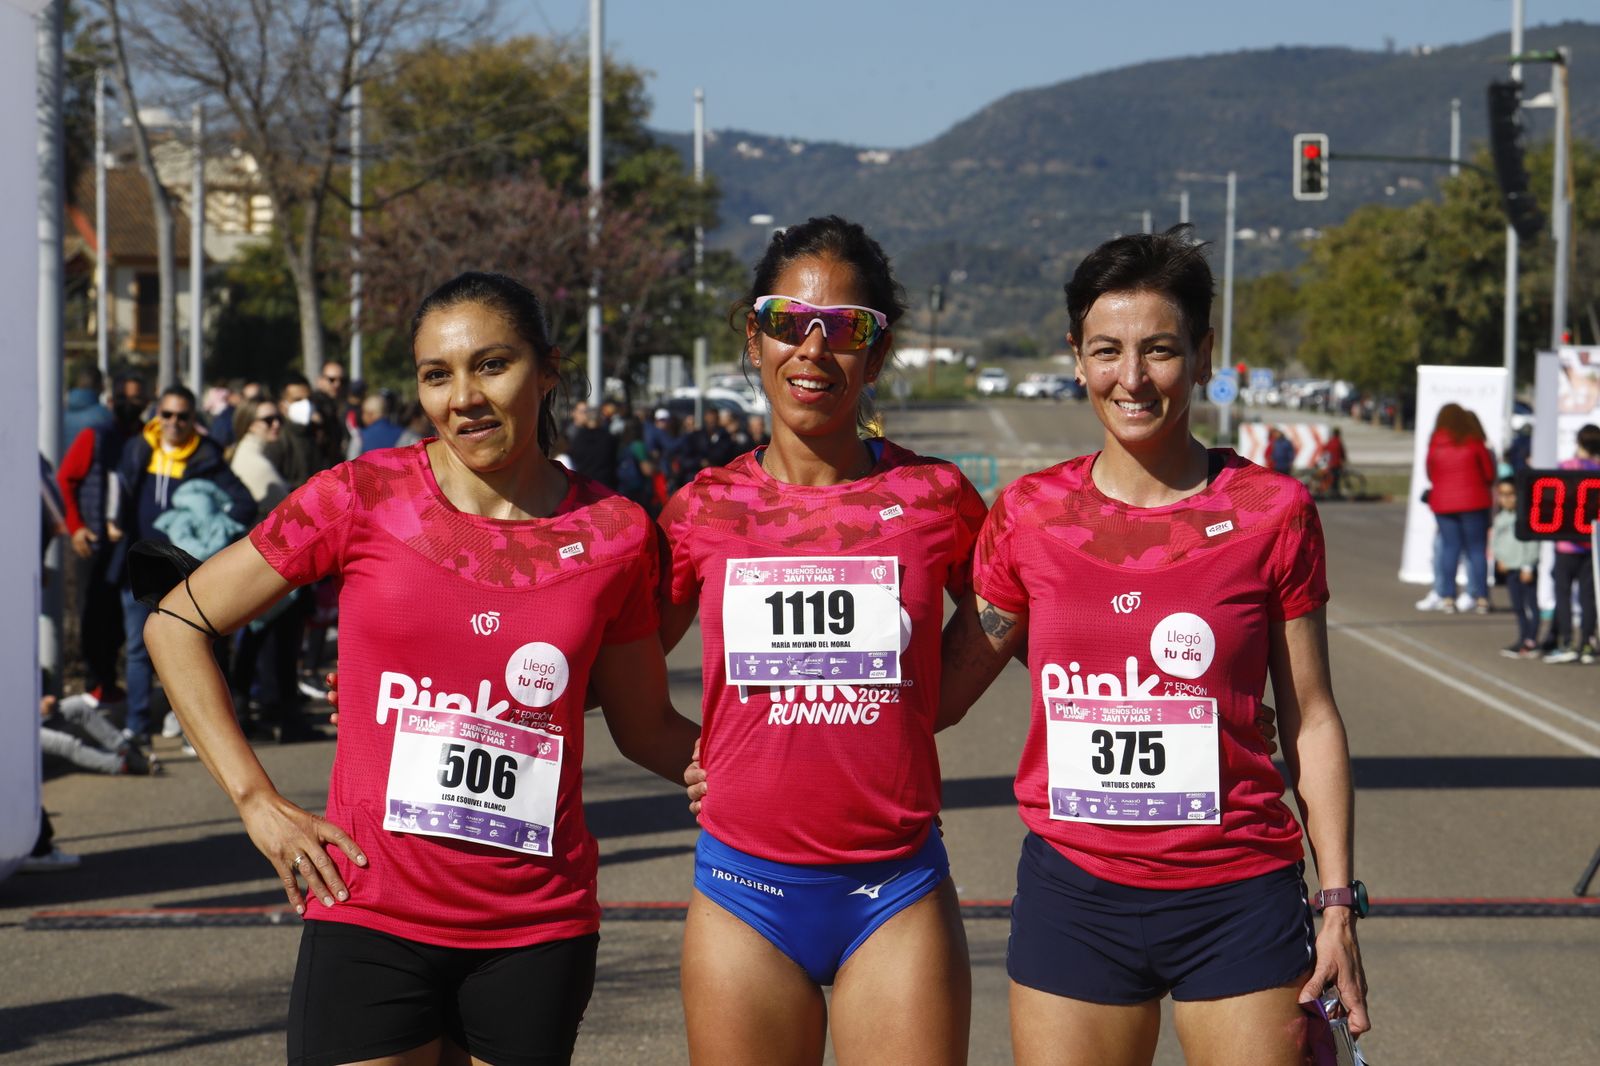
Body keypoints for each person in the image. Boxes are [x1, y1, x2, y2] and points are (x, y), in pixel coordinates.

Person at [143, 271, 699, 1066]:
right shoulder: (360, 496)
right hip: (368, 912)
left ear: (548, 371)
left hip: (535, 928)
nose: (463, 396)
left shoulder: (615, 533)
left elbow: (646, 725)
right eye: (437, 375)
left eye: (491, 365)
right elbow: (176, 621)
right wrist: (256, 801)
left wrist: (768, 777)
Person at [940, 226, 1369, 1065]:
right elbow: (938, 695)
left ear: (1204, 354)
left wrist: (1338, 902)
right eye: (1106, 350)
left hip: (1236, 894)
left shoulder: (1271, 512)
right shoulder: (1027, 514)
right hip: (1074, 897)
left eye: (1160, 350)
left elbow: (1313, 717)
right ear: (1076, 355)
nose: (1131, 379)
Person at [661, 216, 985, 1064]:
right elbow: (610, 657)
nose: (813, 348)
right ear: (754, 337)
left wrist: (933, 703)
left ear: (876, 356)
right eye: (785, 321)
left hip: (896, 893)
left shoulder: (935, 497)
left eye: (846, 329)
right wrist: (686, 754)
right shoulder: (701, 509)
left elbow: (1021, 602)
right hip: (743, 896)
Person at [111, 385, 256, 745]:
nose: (174, 422)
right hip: (138, 566)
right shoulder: (138, 448)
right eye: (167, 414)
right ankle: (138, 727)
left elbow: (243, 503)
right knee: (137, 648)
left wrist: (211, 530)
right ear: (157, 415)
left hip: (184, 571)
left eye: (183, 416)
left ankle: (197, 732)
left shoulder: (207, 457)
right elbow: (120, 493)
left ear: (194, 420)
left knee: (192, 651)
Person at [58, 373, 147, 703]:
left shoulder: (147, 438)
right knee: (93, 616)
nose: (130, 405)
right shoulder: (94, 436)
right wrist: (76, 527)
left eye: (138, 399)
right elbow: (65, 480)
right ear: (111, 402)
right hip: (94, 544)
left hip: (132, 545)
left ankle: (111, 682)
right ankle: (97, 684)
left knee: (118, 622)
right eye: (124, 397)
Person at [1416, 403, 1496, 614]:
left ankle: (1448, 597)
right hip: (1474, 501)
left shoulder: (1435, 443)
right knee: (1476, 550)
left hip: (1443, 504)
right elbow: (1488, 473)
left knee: (1450, 549)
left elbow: (1430, 473)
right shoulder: (1474, 441)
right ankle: (1481, 598)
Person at [1543, 423, 1600, 664]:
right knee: (1589, 596)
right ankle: (1587, 643)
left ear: (1578, 442)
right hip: (1591, 545)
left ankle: (1566, 642)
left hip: (1566, 544)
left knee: (1563, 594)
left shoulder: (1565, 468)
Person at [1491, 477, 1542, 659]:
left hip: (1525, 569)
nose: (1506, 499)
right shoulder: (1501, 518)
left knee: (1531, 606)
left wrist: (1528, 565)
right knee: (1518, 606)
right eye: (1502, 495)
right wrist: (1500, 559)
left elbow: (1533, 543)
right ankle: (1522, 638)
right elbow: (1495, 542)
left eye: (1510, 494)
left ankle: (1531, 640)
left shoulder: (1526, 517)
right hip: (1510, 568)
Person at [1315, 426, 1347, 499]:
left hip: (1330, 463)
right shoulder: (1338, 442)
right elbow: (1342, 453)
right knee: (1336, 479)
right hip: (1337, 464)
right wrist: (1344, 459)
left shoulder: (1330, 441)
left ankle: (1331, 491)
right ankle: (1335, 493)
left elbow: (1325, 450)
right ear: (1338, 434)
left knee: (1331, 478)